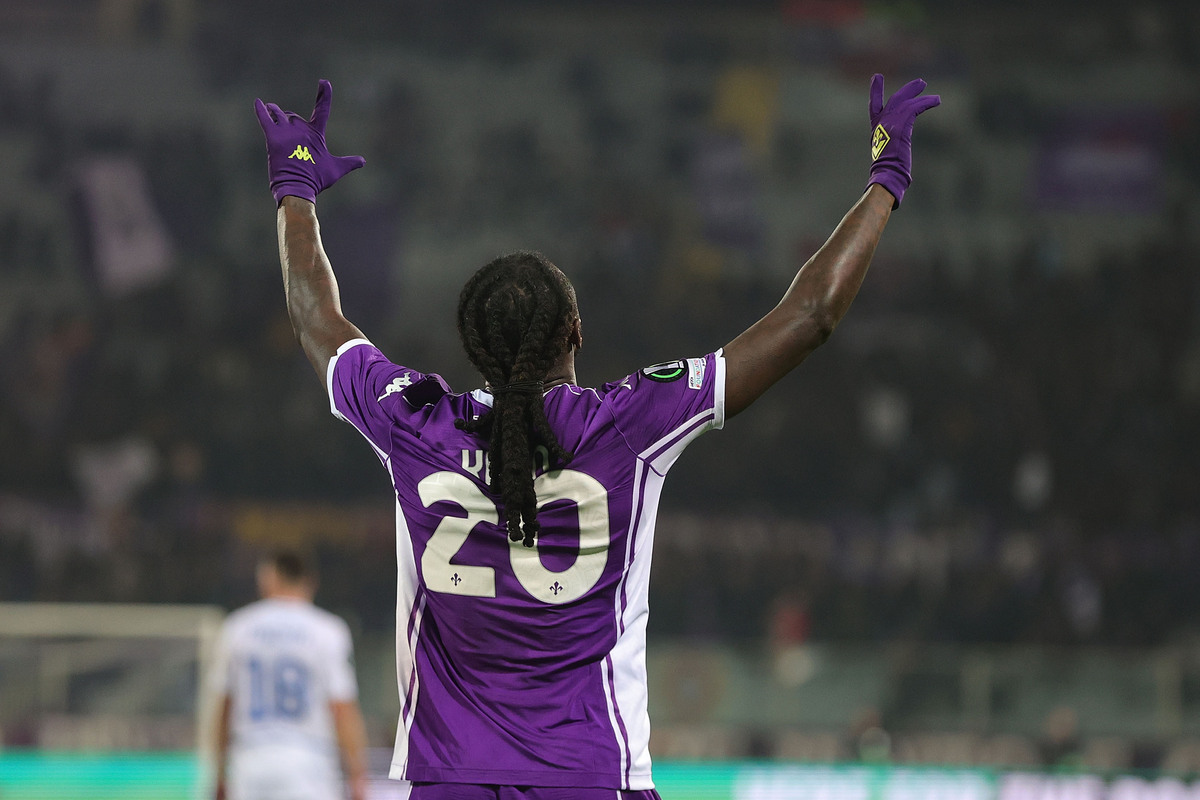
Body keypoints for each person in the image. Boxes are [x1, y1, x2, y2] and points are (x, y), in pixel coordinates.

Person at [254, 74, 938, 798]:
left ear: (473, 344)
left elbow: (317, 321)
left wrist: (295, 191)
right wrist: (885, 178)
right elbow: (811, 316)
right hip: (593, 777)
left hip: (450, 778)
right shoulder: (629, 424)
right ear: (576, 332)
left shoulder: (412, 423)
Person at [212, 548, 368, 800]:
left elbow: (224, 708)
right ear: (310, 582)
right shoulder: (327, 630)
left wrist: (219, 773)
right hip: (308, 761)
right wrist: (358, 774)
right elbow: (342, 708)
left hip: (250, 762)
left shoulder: (237, 628)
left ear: (267, 578)